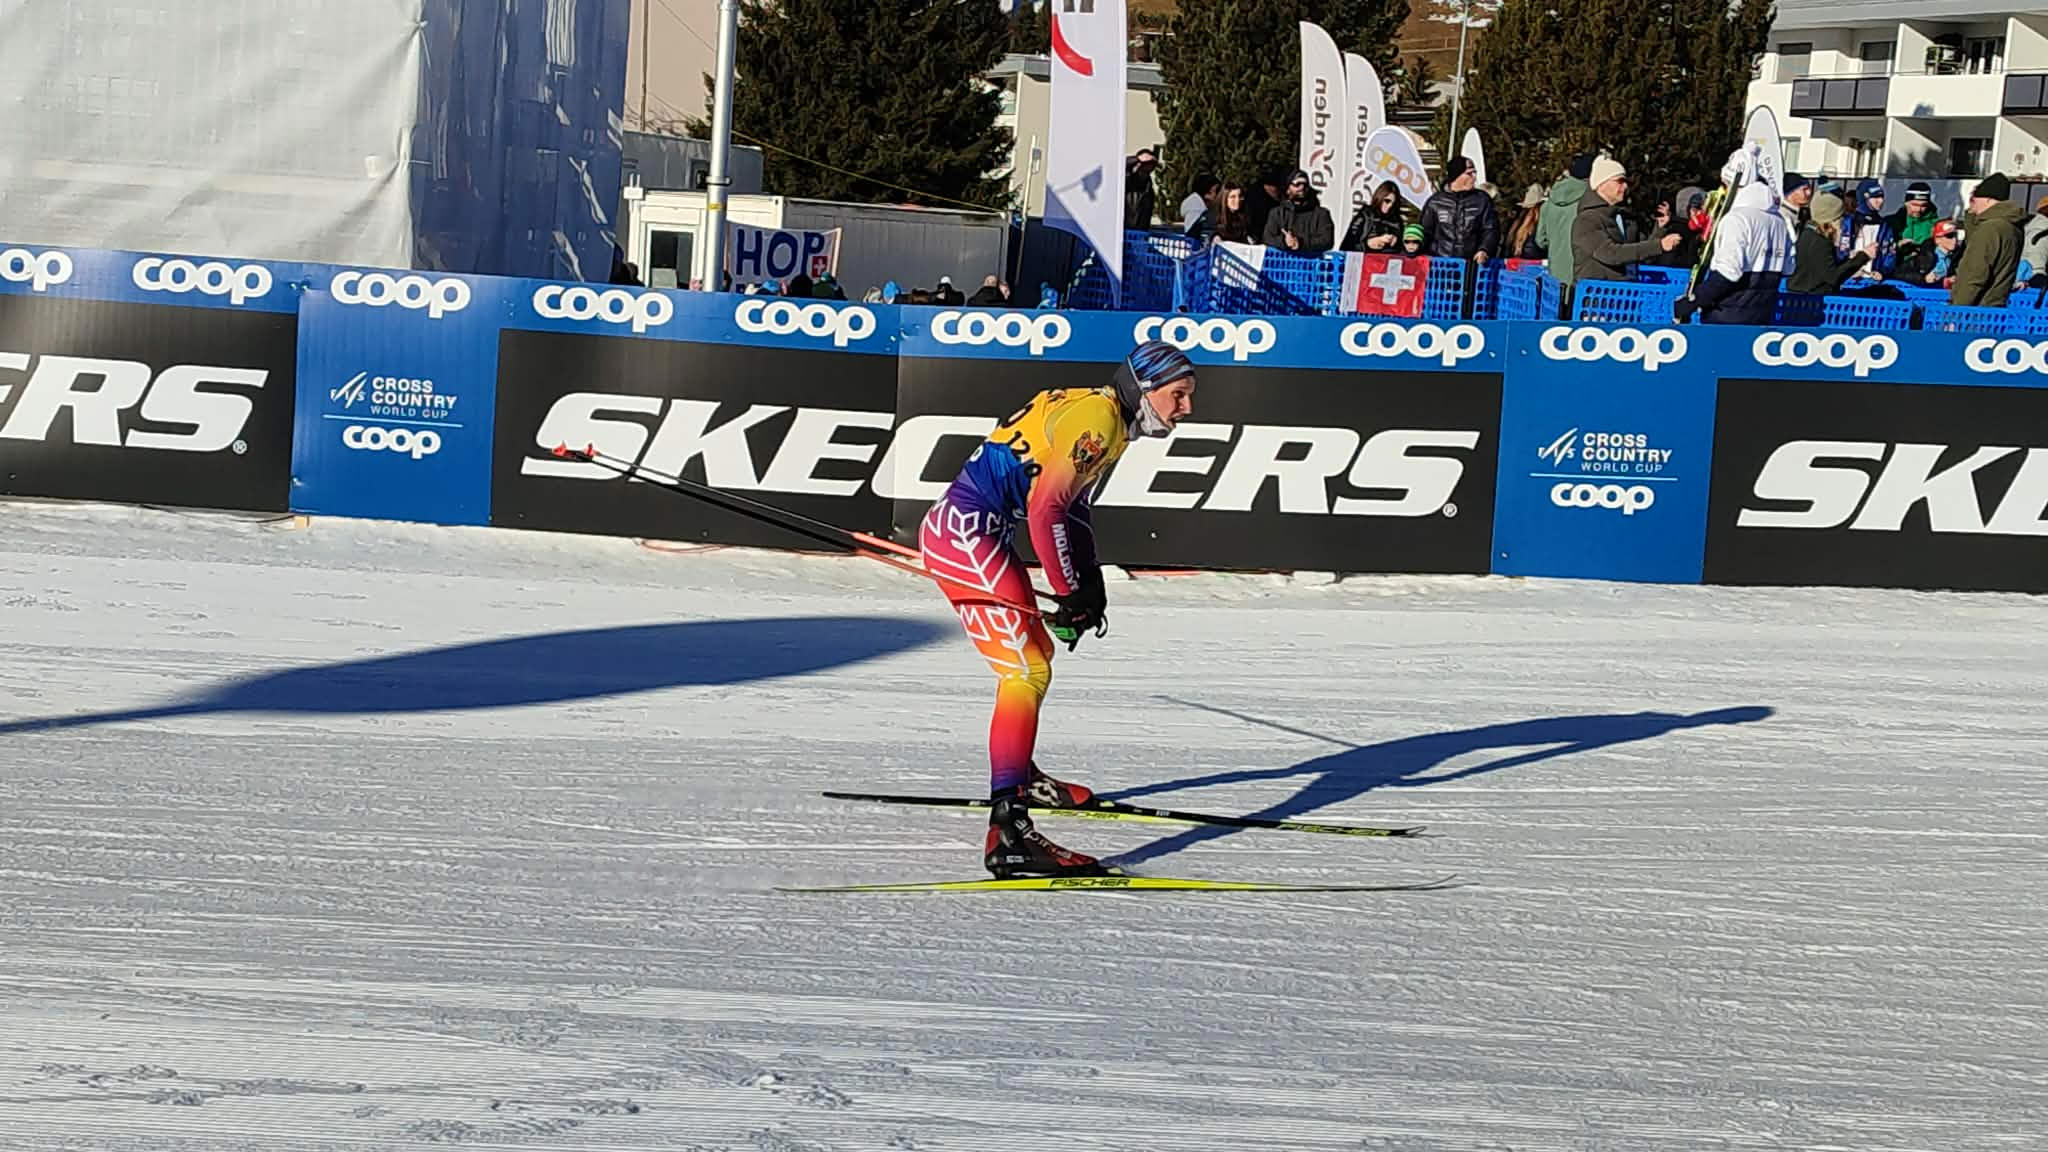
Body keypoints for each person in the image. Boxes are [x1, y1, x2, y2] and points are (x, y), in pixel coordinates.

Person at [919, 341, 1199, 878]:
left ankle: (1020, 776)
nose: (1186, 408)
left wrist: (1089, 585)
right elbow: (1045, 509)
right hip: (966, 536)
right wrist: (1070, 591)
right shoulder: (1099, 419)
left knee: (1037, 653)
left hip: (978, 533)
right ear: (1145, 389)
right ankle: (1009, 830)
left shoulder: (1105, 413)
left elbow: (1073, 508)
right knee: (1024, 670)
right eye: (1178, 395)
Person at [1676, 143, 1790, 325]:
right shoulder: (1779, 221)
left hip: (1727, 316)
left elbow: (1728, 273)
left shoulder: (1736, 220)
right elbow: (1788, 267)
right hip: (1761, 316)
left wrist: (1693, 300)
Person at [1571, 156, 1681, 282]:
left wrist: (1660, 229)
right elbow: (1611, 254)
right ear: (1601, 184)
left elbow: (1641, 254)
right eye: (1620, 181)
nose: (1625, 186)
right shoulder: (1586, 220)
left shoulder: (1623, 217)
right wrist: (1660, 245)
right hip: (1597, 292)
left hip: (1625, 289)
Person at [1950, 173, 2024, 307]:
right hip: (1995, 305)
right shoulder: (2012, 226)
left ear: (1988, 199)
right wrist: (1971, 216)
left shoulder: (1990, 229)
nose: (1972, 201)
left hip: (1975, 310)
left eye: (1975, 198)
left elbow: (1974, 274)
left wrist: (1956, 311)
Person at [1786, 192, 1877, 295]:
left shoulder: (1808, 234)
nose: (1843, 222)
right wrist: (1863, 256)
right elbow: (1833, 277)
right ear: (1833, 219)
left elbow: (1825, 269)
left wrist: (1853, 260)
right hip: (1813, 298)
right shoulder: (1820, 241)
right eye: (1841, 217)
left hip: (1802, 295)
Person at [1418, 155, 1499, 263]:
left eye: (1474, 173)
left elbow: (1490, 229)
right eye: (1469, 173)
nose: (1474, 177)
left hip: (1472, 264)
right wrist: (1415, 249)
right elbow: (1424, 232)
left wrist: (1485, 249)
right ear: (1456, 175)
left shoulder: (1482, 200)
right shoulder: (1435, 202)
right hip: (1440, 264)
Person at [1535, 153, 1592, 281]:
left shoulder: (1547, 205)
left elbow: (1540, 240)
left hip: (1554, 274)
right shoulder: (1590, 202)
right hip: (1582, 275)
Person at [1261, 169, 1336, 255]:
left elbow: (1327, 240)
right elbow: (1267, 238)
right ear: (1288, 188)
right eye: (1297, 184)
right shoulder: (1277, 213)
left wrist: (1300, 242)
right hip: (1283, 261)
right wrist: (1284, 241)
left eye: (1305, 184)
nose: (1301, 188)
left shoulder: (1321, 214)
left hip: (1312, 261)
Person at [1340, 180, 1407, 253]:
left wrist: (1396, 243)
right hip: (1365, 258)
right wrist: (1368, 244)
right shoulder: (1365, 215)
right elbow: (1347, 246)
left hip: (1387, 258)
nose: (1390, 206)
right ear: (1380, 197)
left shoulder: (1397, 221)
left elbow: (1403, 250)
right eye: (1387, 201)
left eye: (1393, 203)